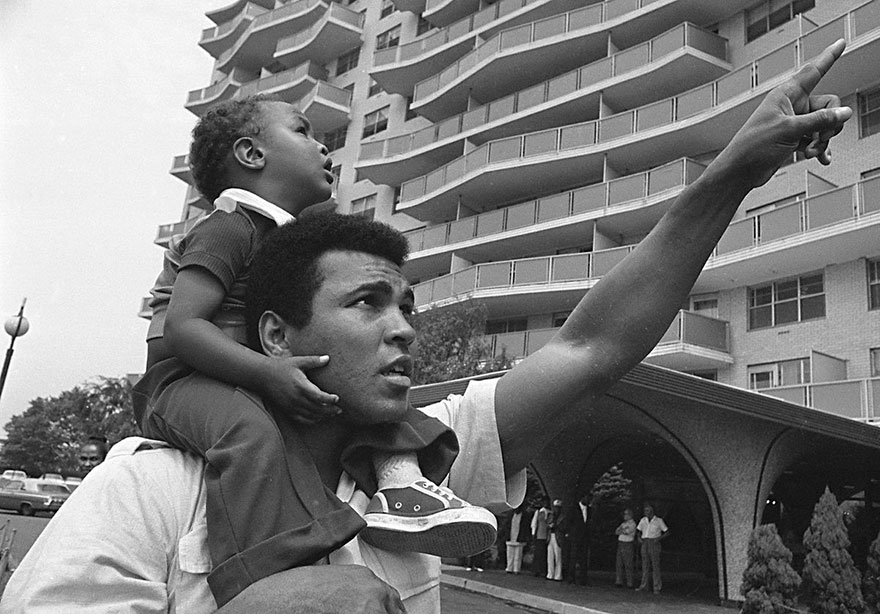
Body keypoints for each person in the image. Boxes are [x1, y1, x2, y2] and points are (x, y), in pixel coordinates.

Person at [1, 40, 852, 614]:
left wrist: (731, 172)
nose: (404, 329)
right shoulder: (153, 485)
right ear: (271, 338)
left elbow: (591, 347)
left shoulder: (420, 461)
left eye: (405, 304)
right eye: (367, 304)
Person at [130, 95, 495, 605]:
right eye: (302, 131)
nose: (323, 145)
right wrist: (266, 373)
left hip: (241, 374)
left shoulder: (285, 238)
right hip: (180, 382)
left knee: (374, 402)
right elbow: (183, 329)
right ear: (252, 155)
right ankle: (265, 574)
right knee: (251, 432)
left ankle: (404, 486)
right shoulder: (229, 227)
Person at [636, 503, 669, 594]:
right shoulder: (643, 520)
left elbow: (666, 532)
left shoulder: (658, 521)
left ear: (652, 511)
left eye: (648, 511)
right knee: (645, 565)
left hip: (654, 542)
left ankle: (657, 587)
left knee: (655, 565)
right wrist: (639, 538)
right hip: (645, 541)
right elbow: (638, 531)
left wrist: (658, 539)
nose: (646, 512)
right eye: (645, 511)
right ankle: (644, 586)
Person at [562, 494, 591, 585]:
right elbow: (568, 521)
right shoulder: (573, 509)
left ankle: (583, 579)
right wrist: (568, 533)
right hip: (574, 536)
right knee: (573, 557)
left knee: (583, 558)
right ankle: (571, 577)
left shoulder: (589, 510)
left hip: (584, 537)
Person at [615, 508, 637, 588]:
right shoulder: (623, 524)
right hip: (621, 543)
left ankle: (629, 582)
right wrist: (622, 530)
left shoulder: (632, 524)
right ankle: (619, 581)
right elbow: (617, 531)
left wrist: (622, 530)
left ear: (630, 515)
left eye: (626, 514)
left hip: (627, 544)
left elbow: (627, 532)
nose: (624, 516)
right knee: (619, 563)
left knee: (628, 563)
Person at [530, 497, 552, 577]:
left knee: (545, 554)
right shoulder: (539, 512)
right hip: (539, 535)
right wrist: (533, 534)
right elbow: (534, 524)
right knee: (538, 553)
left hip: (547, 536)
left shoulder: (551, 512)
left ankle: (543, 570)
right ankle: (536, 570)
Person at [505, 503, 529, 574]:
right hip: (510, 536)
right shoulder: (510, 515)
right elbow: (507, 526)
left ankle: (516, 569)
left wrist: (524, 537)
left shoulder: (524, 516)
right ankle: (509, 568)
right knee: (509, 554)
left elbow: (525, 528)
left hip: (519, 537)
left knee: (518, 555)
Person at [546, 499, 564, 581]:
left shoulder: (563, 517)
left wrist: (555, 526)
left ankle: (558, 575)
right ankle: (550, 573)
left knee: (558, 557)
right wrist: (550, 525)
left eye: (558, 507)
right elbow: (547, 523)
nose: (556, 509)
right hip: (551, 536)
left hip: (558, 536)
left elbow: (564, 527)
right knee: (550, 556)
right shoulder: (551, 515)